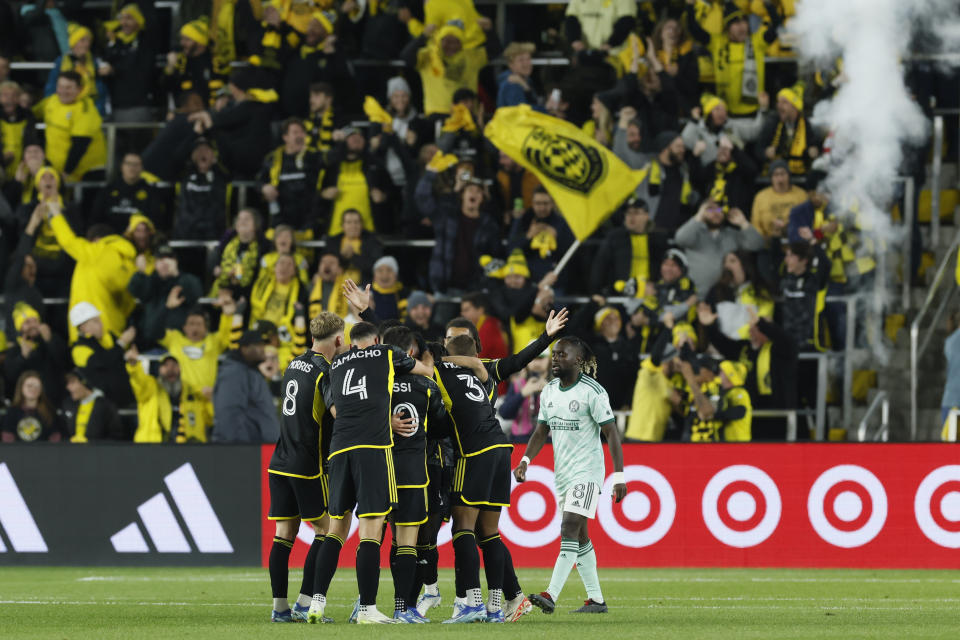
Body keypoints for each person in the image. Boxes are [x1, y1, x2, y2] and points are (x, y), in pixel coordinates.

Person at [307, 321, 433, 624]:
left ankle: (316, 604)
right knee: (371, 532)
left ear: (351, 344)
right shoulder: (386, 353)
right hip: (373, 449)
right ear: (376, 340)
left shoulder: (336, 364)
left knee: (335, 529)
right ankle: (367, 609)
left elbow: (335, 410)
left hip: (339, 449)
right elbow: (426, 371)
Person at [514, 336, 626, 615]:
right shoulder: (549, 390)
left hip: (587, 471)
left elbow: (611, 432)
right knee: (581, 536)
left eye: (561, 354)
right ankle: (596, 600)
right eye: (554, 354)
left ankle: (550, 594)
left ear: (577, 360)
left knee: (568, 527)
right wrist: (525, 460)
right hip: (562, 472)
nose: (555, 359)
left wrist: (620, 476)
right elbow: (541, 430)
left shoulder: (593, 391)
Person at [267, 311, 346, 623]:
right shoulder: (324, 372)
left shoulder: (293, 363)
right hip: (307, 464)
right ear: (338, 339)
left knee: (284, 534)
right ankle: (304, 602)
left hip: (279, 460)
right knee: (327, 529)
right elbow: (339, 412)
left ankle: (279, 608)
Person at [381, 326, 448, 622]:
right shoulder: (426, 385)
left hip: (379, 468)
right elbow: (443, 426)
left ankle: (365, 604)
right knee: (409, 542)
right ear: (411, 353)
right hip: (412, 470)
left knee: (377, 538)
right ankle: (403, 608)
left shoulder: (375, 382)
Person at [699, 303, 798, 440]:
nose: (750, 332)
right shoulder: (745, 348)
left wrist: (762, 324)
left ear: (767, 331)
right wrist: (710, 326)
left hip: (779, 413)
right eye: (750, 328)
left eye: (755, 328)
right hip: (751, 412)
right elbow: (723, 344)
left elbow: (787, 340)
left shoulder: (781, 349)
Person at [48, 205, 136, 344]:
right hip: (116, 330)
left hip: (92, 331)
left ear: (96, 240)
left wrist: (54, 214)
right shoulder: (129, 261)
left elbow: (68, 241)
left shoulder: (96, 251)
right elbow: (129, 303)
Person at [674, 199, 764, 295]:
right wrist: (699, 216)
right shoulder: (695, 232)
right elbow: (680, 239)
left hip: (727, 295)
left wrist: (743, 223)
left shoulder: (731, 233)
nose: (716, 213)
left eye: (719, 210)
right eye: (710, 209)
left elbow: (757, 245)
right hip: (698, 294)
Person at [125, 347, 211, 443]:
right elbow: (139, 382)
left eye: (174, 365)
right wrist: (134, 365)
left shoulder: (194, 393)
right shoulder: (151, 388)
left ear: (180, 369)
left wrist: (211, 399)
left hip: (188, 448)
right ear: (159, 370)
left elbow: (210, 419)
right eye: (165, 365)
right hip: (152, 446)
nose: (170, 369)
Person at [34, 70, 107, 182]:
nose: (63, 91)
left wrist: (66, 172)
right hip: (58, 170)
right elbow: (33, 113)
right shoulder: (52, 101)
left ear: (80, 89)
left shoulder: (85, 109)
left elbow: (79, 145)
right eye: (60, 86)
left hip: (85, 173)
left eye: (68, 87)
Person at [211, 329, 281, 443]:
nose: (263, 348)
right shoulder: (234, 373)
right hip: (245, 450)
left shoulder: (250, 372)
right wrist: (242, 450)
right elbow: (229, 414)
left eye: (263, 344)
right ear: (244, 349)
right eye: (258, 345)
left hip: (260, 449)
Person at [128, 244, 203, 348]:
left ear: (176, 261)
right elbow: (134, 289)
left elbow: (196, 292)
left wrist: (175, 275)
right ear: (155, 264)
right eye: (160, 259)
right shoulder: (150, 282)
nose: (164, 262)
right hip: (153, 342)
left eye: (169, 258)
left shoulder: (187, 280)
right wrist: (140, 272)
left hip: (182, 342)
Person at [589, 198, 666, 296]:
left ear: (646, 216)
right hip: (620, 295)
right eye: (628, 213)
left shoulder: (657, 239)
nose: (631, 217)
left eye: (636, 213)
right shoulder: (615, 237)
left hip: (650, 294)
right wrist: (596, 292)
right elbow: (600, 266)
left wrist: (658, 286)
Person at [260, 117, 323, 232]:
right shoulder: (273, 158)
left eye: (302, 132)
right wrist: (264, 187)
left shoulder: (314, 156)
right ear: (285, 137)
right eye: (295, 132)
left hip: (308, 217)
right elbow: (260, 180)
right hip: (281, 217)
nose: (300, 135)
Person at [69, 301, 136, 407]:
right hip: (107, 406)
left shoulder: (107, 338)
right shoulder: (79, 349)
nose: (101, 324)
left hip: (128, 397)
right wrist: (121, 343)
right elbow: (102, 362)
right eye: (95, 321)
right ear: (83, 327)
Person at [2, 302, 67, 408]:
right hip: (25, 406)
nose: (33, 325)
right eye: (27, 322)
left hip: (53, 403)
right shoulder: (15, 350)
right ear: (19, 328)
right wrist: (23, 357)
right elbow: (10, 377)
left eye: (35, 321)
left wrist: (50, 341)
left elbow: (64, 363)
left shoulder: (52, 339)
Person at [102, 3, 157, 124]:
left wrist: (114, 70)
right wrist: (112, 44)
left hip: (137, 104)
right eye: (122, 18)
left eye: (129, 18)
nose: (124, 22)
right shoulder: (116, 42)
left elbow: (140, 69)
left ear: (138, 21)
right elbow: (107, 61)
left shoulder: (145, 42)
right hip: (116, 103)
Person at [634, 131, 697, 234]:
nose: (682, 150)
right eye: (678, 146)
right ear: (665, 148)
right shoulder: (647, 166)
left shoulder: (683, 170)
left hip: (676, 231)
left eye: (683, 147)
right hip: (651, 229)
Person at [507, 187, 575, 283]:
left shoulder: (561, 223)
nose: (542, 208)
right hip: (527, 282)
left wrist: (557, 238)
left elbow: (571, 252)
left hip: (555, 280)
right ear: (532, 203)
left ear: (552, 203)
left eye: (545, 203)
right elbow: (511, 249)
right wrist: (528, 237)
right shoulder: (523, 220)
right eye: (538, 203)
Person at [679, 356, 752, 442]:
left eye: (722, 372)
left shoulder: (739, 392)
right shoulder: (722, 391)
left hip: (739, 442)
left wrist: (713, 415)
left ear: (730, 375)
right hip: (726, 441)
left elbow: (740, 411)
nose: (719, 375)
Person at [43, 22, 109, 115]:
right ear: (73, 42)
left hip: (91, 109)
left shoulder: (95, 62)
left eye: (88, 41)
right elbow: (51, 86)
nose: (87, 44)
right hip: (66, 109)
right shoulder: (61, 62)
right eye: (82, 40)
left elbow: (101, 89)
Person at [173, 138, 230, 240]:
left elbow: (228, 153)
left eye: (206, 150)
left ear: (214, 155)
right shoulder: (183, 173)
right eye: (199, 150)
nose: (202, 153)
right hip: (186, 234)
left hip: (214, 234)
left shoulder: (222, 175)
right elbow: (176, 156)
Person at [91, 153, 163, 232]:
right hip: (110, 238)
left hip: (138, 239)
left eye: (136, 164)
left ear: (142, 168)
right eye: (128, 163)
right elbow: (95, 219)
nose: (132, 168)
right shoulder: (107, 191)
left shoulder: (151, 193)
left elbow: (155, 221)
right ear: (122, 166)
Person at [210, 208, 268, 299]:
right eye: (239, 219)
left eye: (247, 219)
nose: (242, 222)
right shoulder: (227, 240)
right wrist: (217, 268)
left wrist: (237, 280)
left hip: (249, 293)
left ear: (256, 224)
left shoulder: (264, 246)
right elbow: (215, 259)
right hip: (222, 289)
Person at [751, 159, 809, 242]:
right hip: (768, 242)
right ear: (771, 177)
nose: (780, 179)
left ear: (789, 175)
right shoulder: (761, 196)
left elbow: (808, 219)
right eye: (776, 175)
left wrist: (789, 227)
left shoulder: (801, 195)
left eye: (783, 174)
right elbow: (755, 224)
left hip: (796, 241)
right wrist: (765, 239)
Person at [1, 371, 66, 443]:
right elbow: (7, 438)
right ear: (21, 387)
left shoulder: (49, 411)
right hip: (18, 453)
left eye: (37, 386)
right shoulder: (12, 412)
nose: (33, 389)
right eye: (29, 386)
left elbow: (55, 437)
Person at [63, 368, 125, 442]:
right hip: (71, 451)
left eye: (72, 382)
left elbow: (115, 437)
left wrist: (90, 443)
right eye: (68, 383)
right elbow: (63, 434)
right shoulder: (68, 405)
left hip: (97, 452)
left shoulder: (105, 406)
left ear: (85, 383)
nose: (68, 387)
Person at [1, 81, 36, 183]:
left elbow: (31, 141)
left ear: (19, 98)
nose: (10, 98)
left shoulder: (27, 115)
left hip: (23, 162)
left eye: (14, 95)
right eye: (5, 95)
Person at [369, 256, 408, 321]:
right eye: (380, 270)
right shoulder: (366, 294)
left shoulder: (404, 294)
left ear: (396, 275)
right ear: (374, 276)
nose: (385, 274)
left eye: (389, 270)